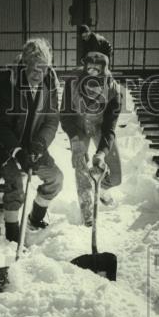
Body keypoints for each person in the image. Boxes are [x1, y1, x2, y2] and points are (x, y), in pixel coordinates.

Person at [0, 37, 63, 242]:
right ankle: (12, 235)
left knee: (56, 179)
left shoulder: (49, 84)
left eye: (43, 69)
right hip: (4, 148)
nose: (39, 75)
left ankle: (35, 218)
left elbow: (51, 121)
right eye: (34, 69)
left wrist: (39, 145)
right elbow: (2, 127)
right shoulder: (8, 85)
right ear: (25, 66)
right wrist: (18, 152)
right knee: (16, 182)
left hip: (33, 147)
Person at [60, 51, 122, 227]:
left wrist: (102, 152)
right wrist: (74, 139)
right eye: (90, 68)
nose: (93, 71)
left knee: (116, 176)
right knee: (80, 163)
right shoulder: (72, 82)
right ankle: (86, 210)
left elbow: (110, 127)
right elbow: (65, 115)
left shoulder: (114, 91)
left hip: (100, 127)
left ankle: (100, 190)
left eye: (98, 68)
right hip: (78, 127)